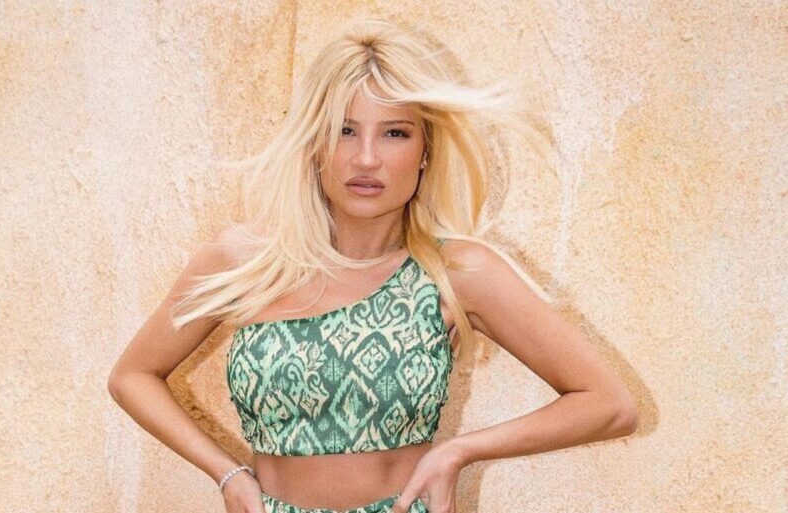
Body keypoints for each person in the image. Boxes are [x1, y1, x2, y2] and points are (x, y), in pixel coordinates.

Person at [107, 16, 638, 513]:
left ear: (426, 149)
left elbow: (609, 405)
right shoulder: (245, 261)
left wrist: (459, 451)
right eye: (344, 129)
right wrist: (227, 474)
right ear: (313, 142)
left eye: (394, 132)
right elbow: (133, 376)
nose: (366, 158)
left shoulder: (455, 272)